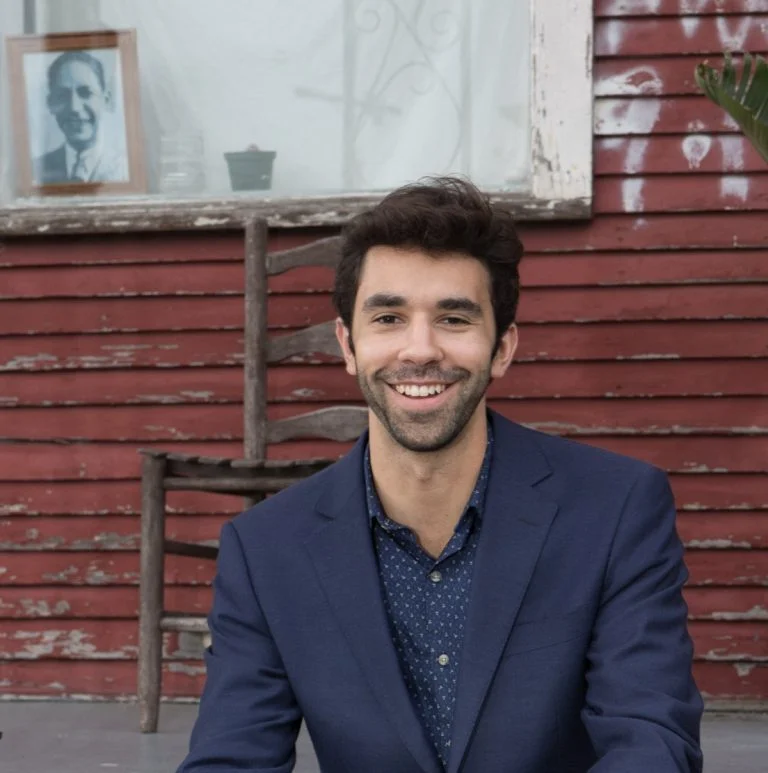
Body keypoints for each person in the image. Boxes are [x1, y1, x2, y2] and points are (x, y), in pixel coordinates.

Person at [178, 177, 704, 773]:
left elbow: (651, 743)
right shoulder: (265, 548)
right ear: (348, 345)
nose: (419, 349)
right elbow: (230, 758)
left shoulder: (615, 509)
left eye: (454, 318)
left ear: (502, 348)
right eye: (389, 318)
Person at [32, 50, 128, 185]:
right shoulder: (35, 170)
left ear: (106, 100)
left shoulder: (126, 169)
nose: (74, 107)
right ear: (51, 103)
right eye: (62, 96)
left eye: (86, 93)